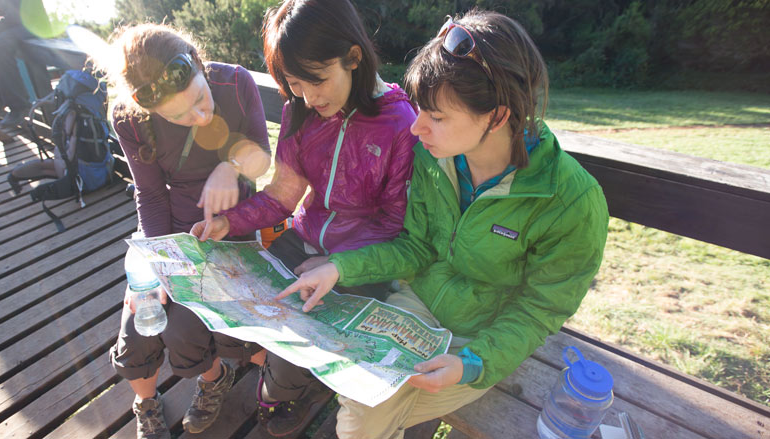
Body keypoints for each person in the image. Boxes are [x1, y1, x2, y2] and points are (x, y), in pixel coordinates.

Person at [279, 9, 610, 439]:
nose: (416, 128)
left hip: (484, 333)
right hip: (415, 306)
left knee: (364, 419)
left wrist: (472, 363)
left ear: (497, 116)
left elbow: (539, 309)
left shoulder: (573, 202)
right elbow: (415, 247)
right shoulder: (432, 158)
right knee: (362, 407)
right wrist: (340, 267)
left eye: (435, 116)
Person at [190, 0, 418, 436]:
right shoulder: (300, 112)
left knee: (291, 354)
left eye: (317, 81)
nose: (310, 97)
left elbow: (394, 223)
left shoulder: (398, 123)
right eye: (296, 85)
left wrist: (337, 264)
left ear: (353, 57)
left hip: (363, 263)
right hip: (303, 240)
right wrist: (229, 223)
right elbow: (282, 196)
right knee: (223, 305)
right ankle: (284, 380)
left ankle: (281, 389)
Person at [104, 24, 273, 439]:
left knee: (193, 326)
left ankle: (220, 376)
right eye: (179, 116)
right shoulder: (129, 118)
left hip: (235, 227)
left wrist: (229, 167)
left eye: (200, 99)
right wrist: (160, 259)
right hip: (175, 233)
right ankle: (162, 397)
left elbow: (262, 159)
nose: (199, 117)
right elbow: (150, 194)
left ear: (199, 63)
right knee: (145, 320)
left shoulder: (235, 82)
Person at [0, 0, 51, 128]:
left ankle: (19, 105)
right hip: (14, 25)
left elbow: (16, 14)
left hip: (33, 25)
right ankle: (0, 94)